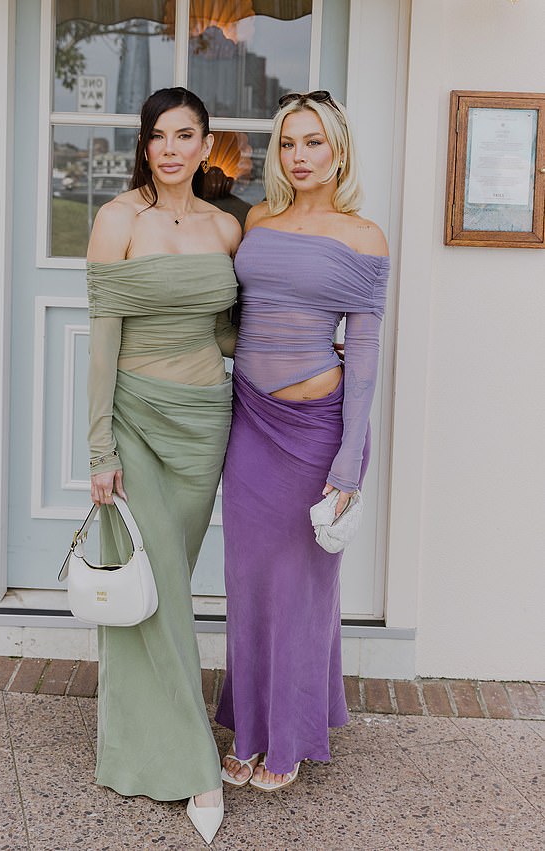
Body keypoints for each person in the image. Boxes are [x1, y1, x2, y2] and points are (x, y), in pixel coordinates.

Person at [216, 91, 390, 790]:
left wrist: (350, 458)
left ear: (339, 149)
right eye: (289, 143)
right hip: (250, 423)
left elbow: (368, 353)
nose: (300, 155)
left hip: (319, 434)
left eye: (314, 142)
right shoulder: (259, 217)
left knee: (304, 587)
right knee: (249, 581)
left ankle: (287, 736)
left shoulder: (364, 235)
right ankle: (250, 730)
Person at [86, 87, 241, 844]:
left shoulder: (227, 226)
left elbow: (229, 331)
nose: (171, 147)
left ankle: (132, 736)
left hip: (204, 423)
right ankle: (195, 765)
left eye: (185, 134)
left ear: (205, 142)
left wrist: (314, 353)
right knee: (167, 594)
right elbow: (101, 344)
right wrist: (99, 449)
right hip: (135, 423)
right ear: (144, 145)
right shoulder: (119, 220)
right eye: (158, 135)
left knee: (162, 585)